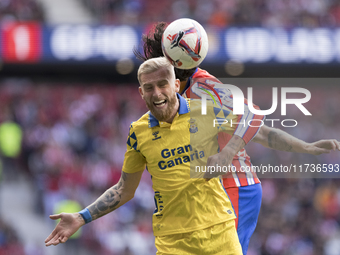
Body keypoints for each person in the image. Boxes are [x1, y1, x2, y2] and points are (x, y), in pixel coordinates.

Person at [134, 21, 340, 255]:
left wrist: (227, 153)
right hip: (211, 193)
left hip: (235, 187)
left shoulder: (203, 87)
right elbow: (259, 131)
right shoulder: (175, 96)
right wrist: (305, 146)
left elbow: (252, 115)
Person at [45, 57, 262, 254]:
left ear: (176, 84)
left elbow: (253, 113)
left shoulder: (206, 111)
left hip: (220, 236)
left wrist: (228, 152)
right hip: (173, 243)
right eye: (149, 88)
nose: (156, 93)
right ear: (141, 92)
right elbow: (124, 189)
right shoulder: (138, 132)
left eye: (162, 84)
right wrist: (81, 217)